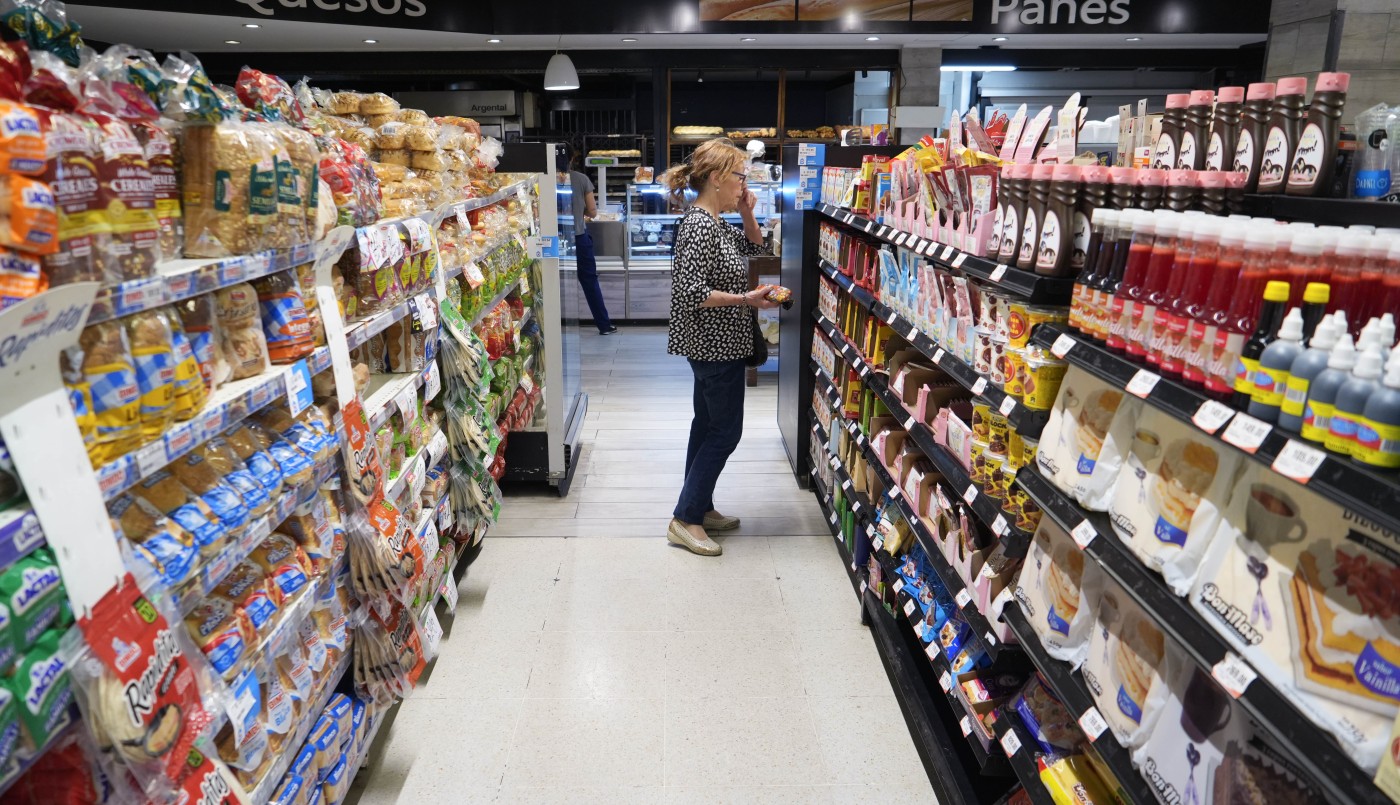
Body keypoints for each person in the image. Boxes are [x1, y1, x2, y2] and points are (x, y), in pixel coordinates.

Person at [660, 138, 778, 556]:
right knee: (726, 431)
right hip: (714, 345)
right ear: (715, 178)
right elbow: (691, 292)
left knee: (706, 425)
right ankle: (686, 518)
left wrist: (747, 211)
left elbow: (756, 248)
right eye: (740, 176)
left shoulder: (716, 221)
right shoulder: (697, 225)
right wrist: (747, 300)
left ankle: (701, 506)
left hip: (721, 341)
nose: (744, 184)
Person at [563, 145, 616, 334]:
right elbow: (593, 212)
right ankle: (603, 325)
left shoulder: (542, 180)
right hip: (578, 238)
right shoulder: (581, 179)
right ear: (571, 159)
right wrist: (581, 212)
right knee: (589, 281)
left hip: (553, 242)